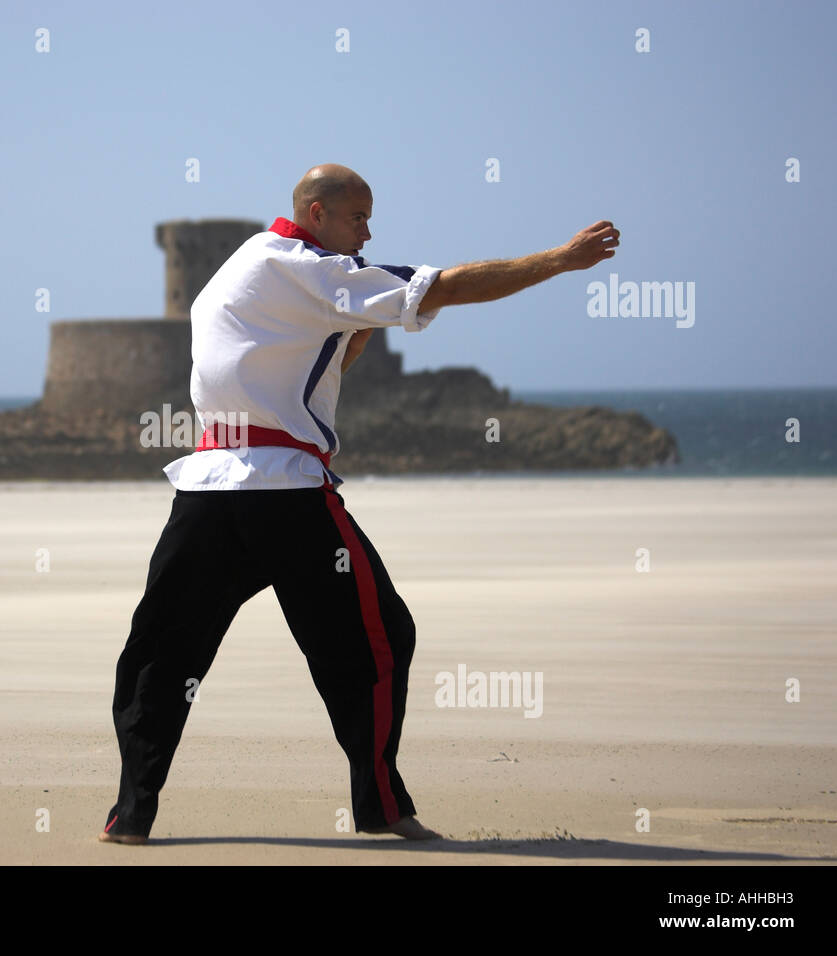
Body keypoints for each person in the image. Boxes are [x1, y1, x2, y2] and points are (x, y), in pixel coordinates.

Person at [100, 163, 619, 845]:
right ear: (316, 213)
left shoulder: (247, 263)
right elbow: (450, 284)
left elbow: (295, 367)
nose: (368, 232)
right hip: (282, 492)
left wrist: (351, 330)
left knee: (162, 654)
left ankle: (130, 816)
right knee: (379, 639)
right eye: (358, 217)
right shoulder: (310, 269)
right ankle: (379, 806)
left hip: (206, 491)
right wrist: (559, 260)